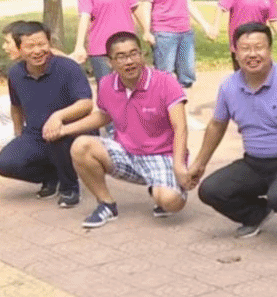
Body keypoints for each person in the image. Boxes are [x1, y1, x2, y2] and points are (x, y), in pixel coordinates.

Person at [190, 22, 277, 241]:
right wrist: (199, 163)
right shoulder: (229, 86)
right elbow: (217, 125)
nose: (252, 54)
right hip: (254, 162)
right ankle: (256, 214)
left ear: (270, 50)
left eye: (259, 47)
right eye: (245, 49)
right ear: (235, 53)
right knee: (211, 190)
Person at [61, 32, 190, 228]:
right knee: (80, 146)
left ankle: (161, 188)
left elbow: (180, 127)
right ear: (110, 62)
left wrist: (179, 166)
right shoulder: (106, 84)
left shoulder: (165, 82)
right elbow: (105, 115)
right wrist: (65, 129)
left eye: (133, 54)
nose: (129, 61)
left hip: (162, 155)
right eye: (121, 57)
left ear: (142, 55)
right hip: (126, 153)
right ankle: (106, 204)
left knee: (170, 202)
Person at [0, 21, 94, 208]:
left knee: (56, 136)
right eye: (30, 46)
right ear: (20, 49)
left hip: (72, 130)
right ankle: (52, 176)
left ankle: (70, 187)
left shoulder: (68, 68)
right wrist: (18, 134)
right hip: (35, 133)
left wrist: (59, 117)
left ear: (49, 44)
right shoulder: (16, 73)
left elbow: (86, 104)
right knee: (4, 163)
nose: (37, 51)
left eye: (42, 44)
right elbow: (16, 106)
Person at [0, 21, 29, 147]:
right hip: (28, 112)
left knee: (0, 137)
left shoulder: (36, 63)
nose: (4, 47)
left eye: (8, 42)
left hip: (46, 120)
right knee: (0, 103)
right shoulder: (19, 67)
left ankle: (19, 147)